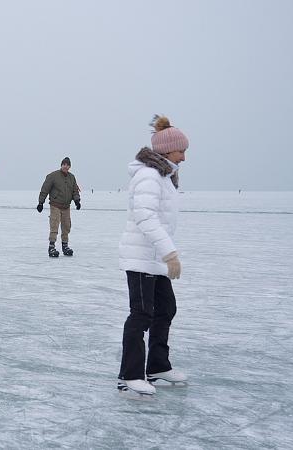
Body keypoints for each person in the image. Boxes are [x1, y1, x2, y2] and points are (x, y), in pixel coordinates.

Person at [116, 115, 190, 396]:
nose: (183, 157)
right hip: (141, 257)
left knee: (166, 309)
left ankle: (157, 365)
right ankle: (130, 374)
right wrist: (169, 252)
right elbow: (146, 217)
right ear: (166, 150)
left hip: (153, 257)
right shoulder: (149, 176)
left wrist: (164, 255)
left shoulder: (163, 177)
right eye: (181, 151)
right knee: (141, 314)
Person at [37, 157, 81, 257]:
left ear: (70, 166)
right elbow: (45, 189)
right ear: (61, 165)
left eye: (67, 165)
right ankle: (51, 247)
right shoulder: (53, 176)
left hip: (66, 206)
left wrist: (77, 201)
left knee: (66, 226)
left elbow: (75, 190)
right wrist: (41, 203)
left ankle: (65, 246)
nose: (66, 166)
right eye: (64, 164)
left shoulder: (71, 177)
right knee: (54, 226)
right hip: (55, 205)